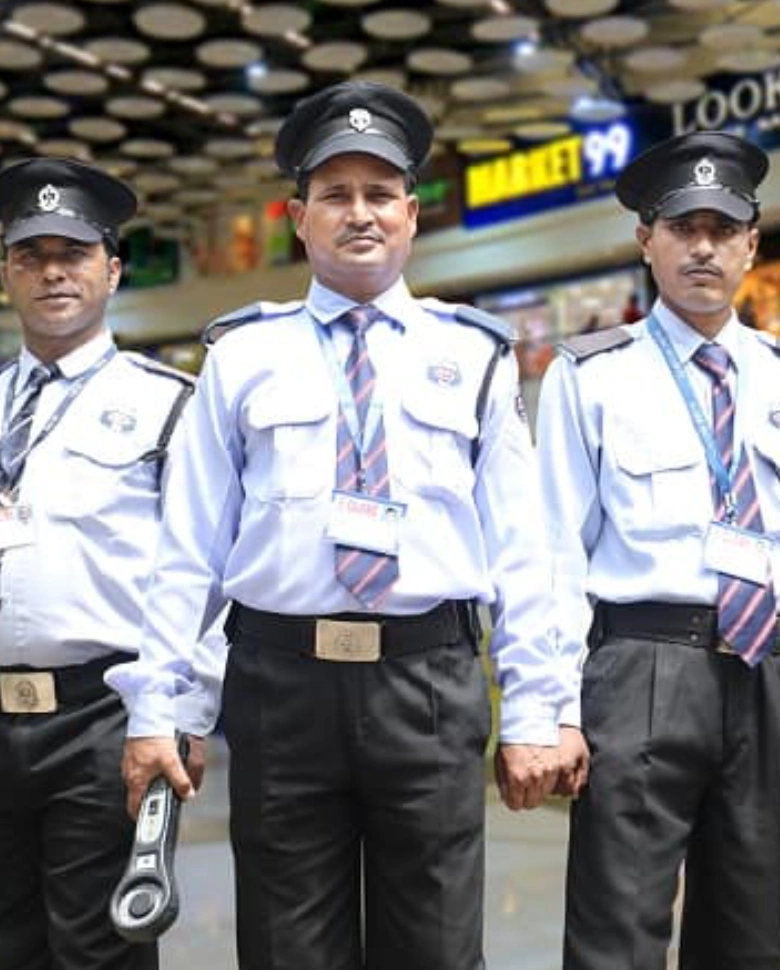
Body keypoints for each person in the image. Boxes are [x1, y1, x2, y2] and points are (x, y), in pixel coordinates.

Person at [107, 80, 587, 970]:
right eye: (334, 194)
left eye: (379, 194)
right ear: (299, 218)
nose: (359, 213)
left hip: (428, 685)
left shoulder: (472, 355)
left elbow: (525, 552)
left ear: (411, 214)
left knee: (436, 947)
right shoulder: (242, 356)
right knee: (287, 948)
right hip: (279, 689)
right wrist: (162, 709)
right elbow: (190, 550)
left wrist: (534, 708)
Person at [535, 130, 780, 970]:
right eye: (683, 227)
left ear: (751, 244)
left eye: (723, 228)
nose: (703, 247)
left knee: (758, 934)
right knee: (618, 930)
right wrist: (557, 709)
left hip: (767, 671)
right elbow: (556, 553)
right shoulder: (592, 375)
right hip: (643, 668)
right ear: (647, 240)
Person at [0, 157, 225, 970]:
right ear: (6, 274)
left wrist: (182, 711)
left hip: (104, 718)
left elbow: (208, 576)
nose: (53, 272)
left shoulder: (168, 404)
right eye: (31, 256)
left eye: (74, 253)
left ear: (114, 270)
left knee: (98, 951)